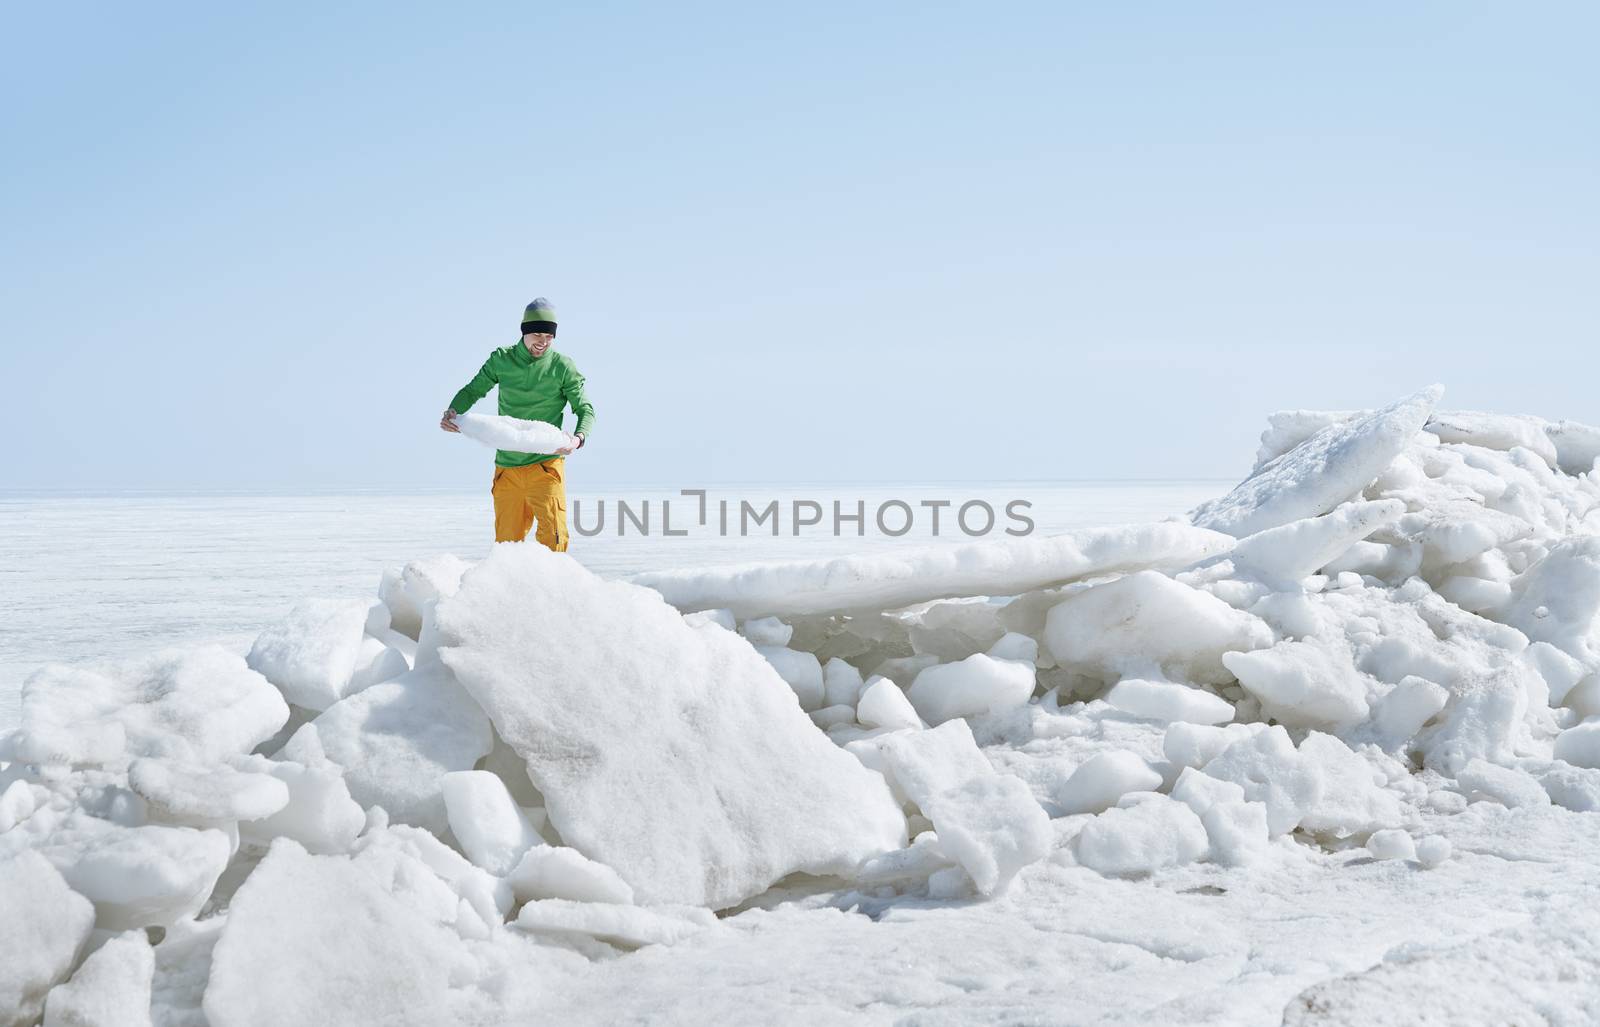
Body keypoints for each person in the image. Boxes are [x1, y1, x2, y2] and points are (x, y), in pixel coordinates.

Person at [440, 298, 595, 550]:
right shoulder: (502, 360)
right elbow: (473, 391)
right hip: (507, 469)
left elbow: (585, 409)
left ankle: (551, 590)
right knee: (506, 549)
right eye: (536, 334)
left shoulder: (562, 367)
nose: (542, 341)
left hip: (546, 466)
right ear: (523, 331)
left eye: (549, 335)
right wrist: (453, 411)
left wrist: (578, 439)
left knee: (554, 543)